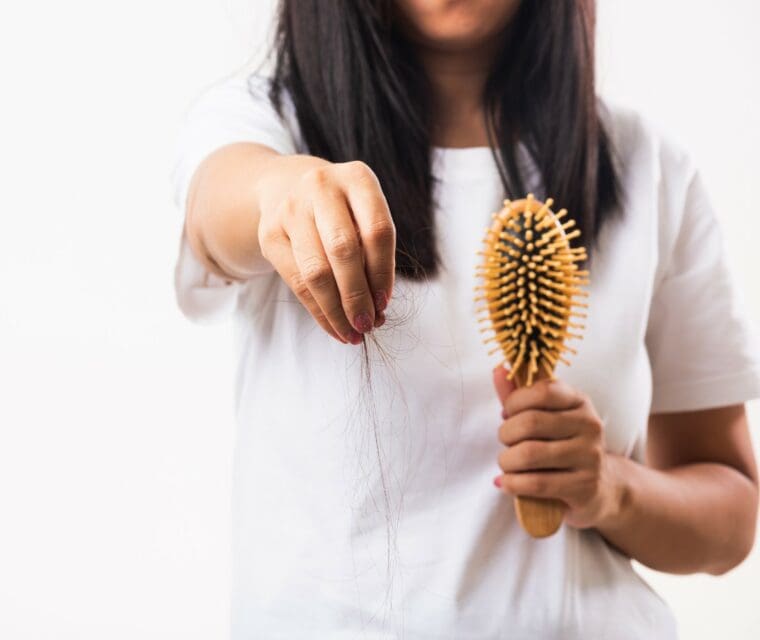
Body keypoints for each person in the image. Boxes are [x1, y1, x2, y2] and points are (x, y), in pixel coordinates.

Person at [170, 1, 760, 637]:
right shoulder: (265, 124)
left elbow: (729, 516)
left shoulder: (647, 163)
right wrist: (281, 193)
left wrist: (611, 489)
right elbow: (217, 208)